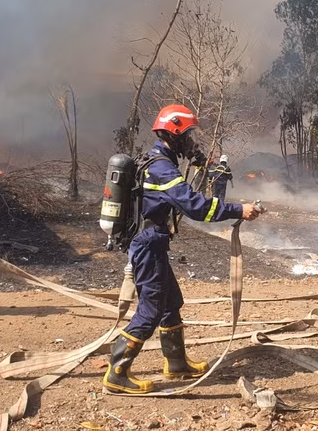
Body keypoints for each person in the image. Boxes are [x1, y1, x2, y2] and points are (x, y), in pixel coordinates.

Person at [104, 104, 263, 394]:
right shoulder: (161, 168)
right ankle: (117, 372)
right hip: (148, 246)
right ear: (174, 134)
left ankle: (175, 363)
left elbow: (193, 199)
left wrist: (214, 176)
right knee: (151, 310)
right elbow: (196, 207)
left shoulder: (157, 161)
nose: (190, 141)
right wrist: (239, 209)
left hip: (154, 244)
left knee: (170, 302)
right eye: (187, 135)